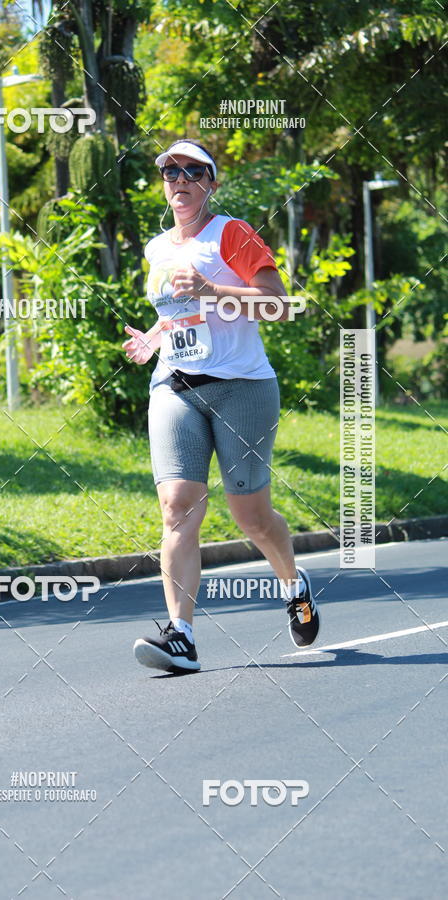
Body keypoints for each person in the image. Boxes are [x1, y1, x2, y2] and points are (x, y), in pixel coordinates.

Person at [123, 139, 320, 673]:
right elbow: (178, 313)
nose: (179, 180)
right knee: (177, 506)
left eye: (193, 171)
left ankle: (292, 582)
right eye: (170, 172)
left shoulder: (231, 233)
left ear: (211, 183)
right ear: (163, 185)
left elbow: (279, 304)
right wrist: (155, 337)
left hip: (242, 388)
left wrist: (211, 288)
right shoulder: (157, 249)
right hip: (175, 386)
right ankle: (180, 637)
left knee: (250, 516)